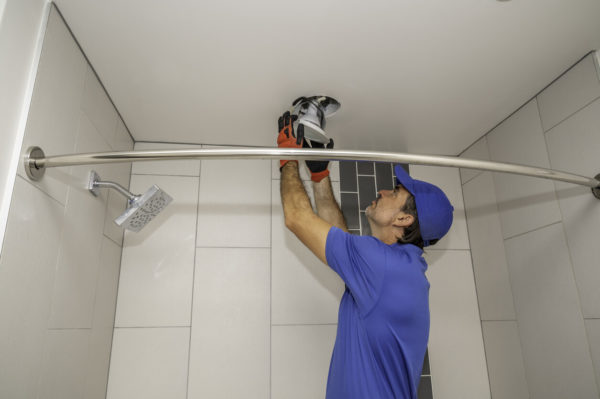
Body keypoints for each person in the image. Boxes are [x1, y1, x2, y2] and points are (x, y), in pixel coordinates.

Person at [277, 111, 454, 399]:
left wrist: (286, 158)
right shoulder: (396, 268)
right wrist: (319, 174)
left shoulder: (383, 266)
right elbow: (339, 241)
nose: (383, 190)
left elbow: (297, 217)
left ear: (404, 220)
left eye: (395, 192)